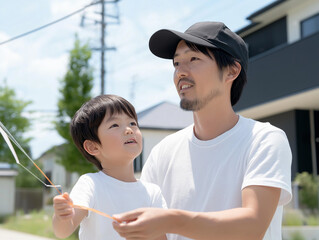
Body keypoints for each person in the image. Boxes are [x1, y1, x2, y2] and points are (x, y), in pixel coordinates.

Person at [112, 22, 292, 240]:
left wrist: (170, 220)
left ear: (231, 71)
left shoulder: (264, 140)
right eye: (176, 63)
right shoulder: (163, 153)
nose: (180, 72)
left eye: (193, 59)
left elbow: (252, 226)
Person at [52, 94, 167, 240]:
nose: (129, 130)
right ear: (93, 147)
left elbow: (162, 236)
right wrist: (62, 216)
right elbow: (63, 231)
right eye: (115, 125)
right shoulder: (90, 184)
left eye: (132, 123)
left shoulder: (152, 191)